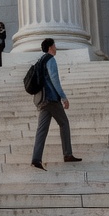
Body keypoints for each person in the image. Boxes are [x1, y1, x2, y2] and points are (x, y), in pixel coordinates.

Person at [30, 38, 81, 171]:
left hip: (42, 100)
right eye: (54, 46)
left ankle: (36, 159)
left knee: (42, 130)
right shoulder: (50, 60)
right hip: (51, 99)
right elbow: (54, 80)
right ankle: (67, 154)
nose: (56, 48)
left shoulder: (40, 60)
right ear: (50, 47)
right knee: (64, 123)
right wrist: (64, 97)